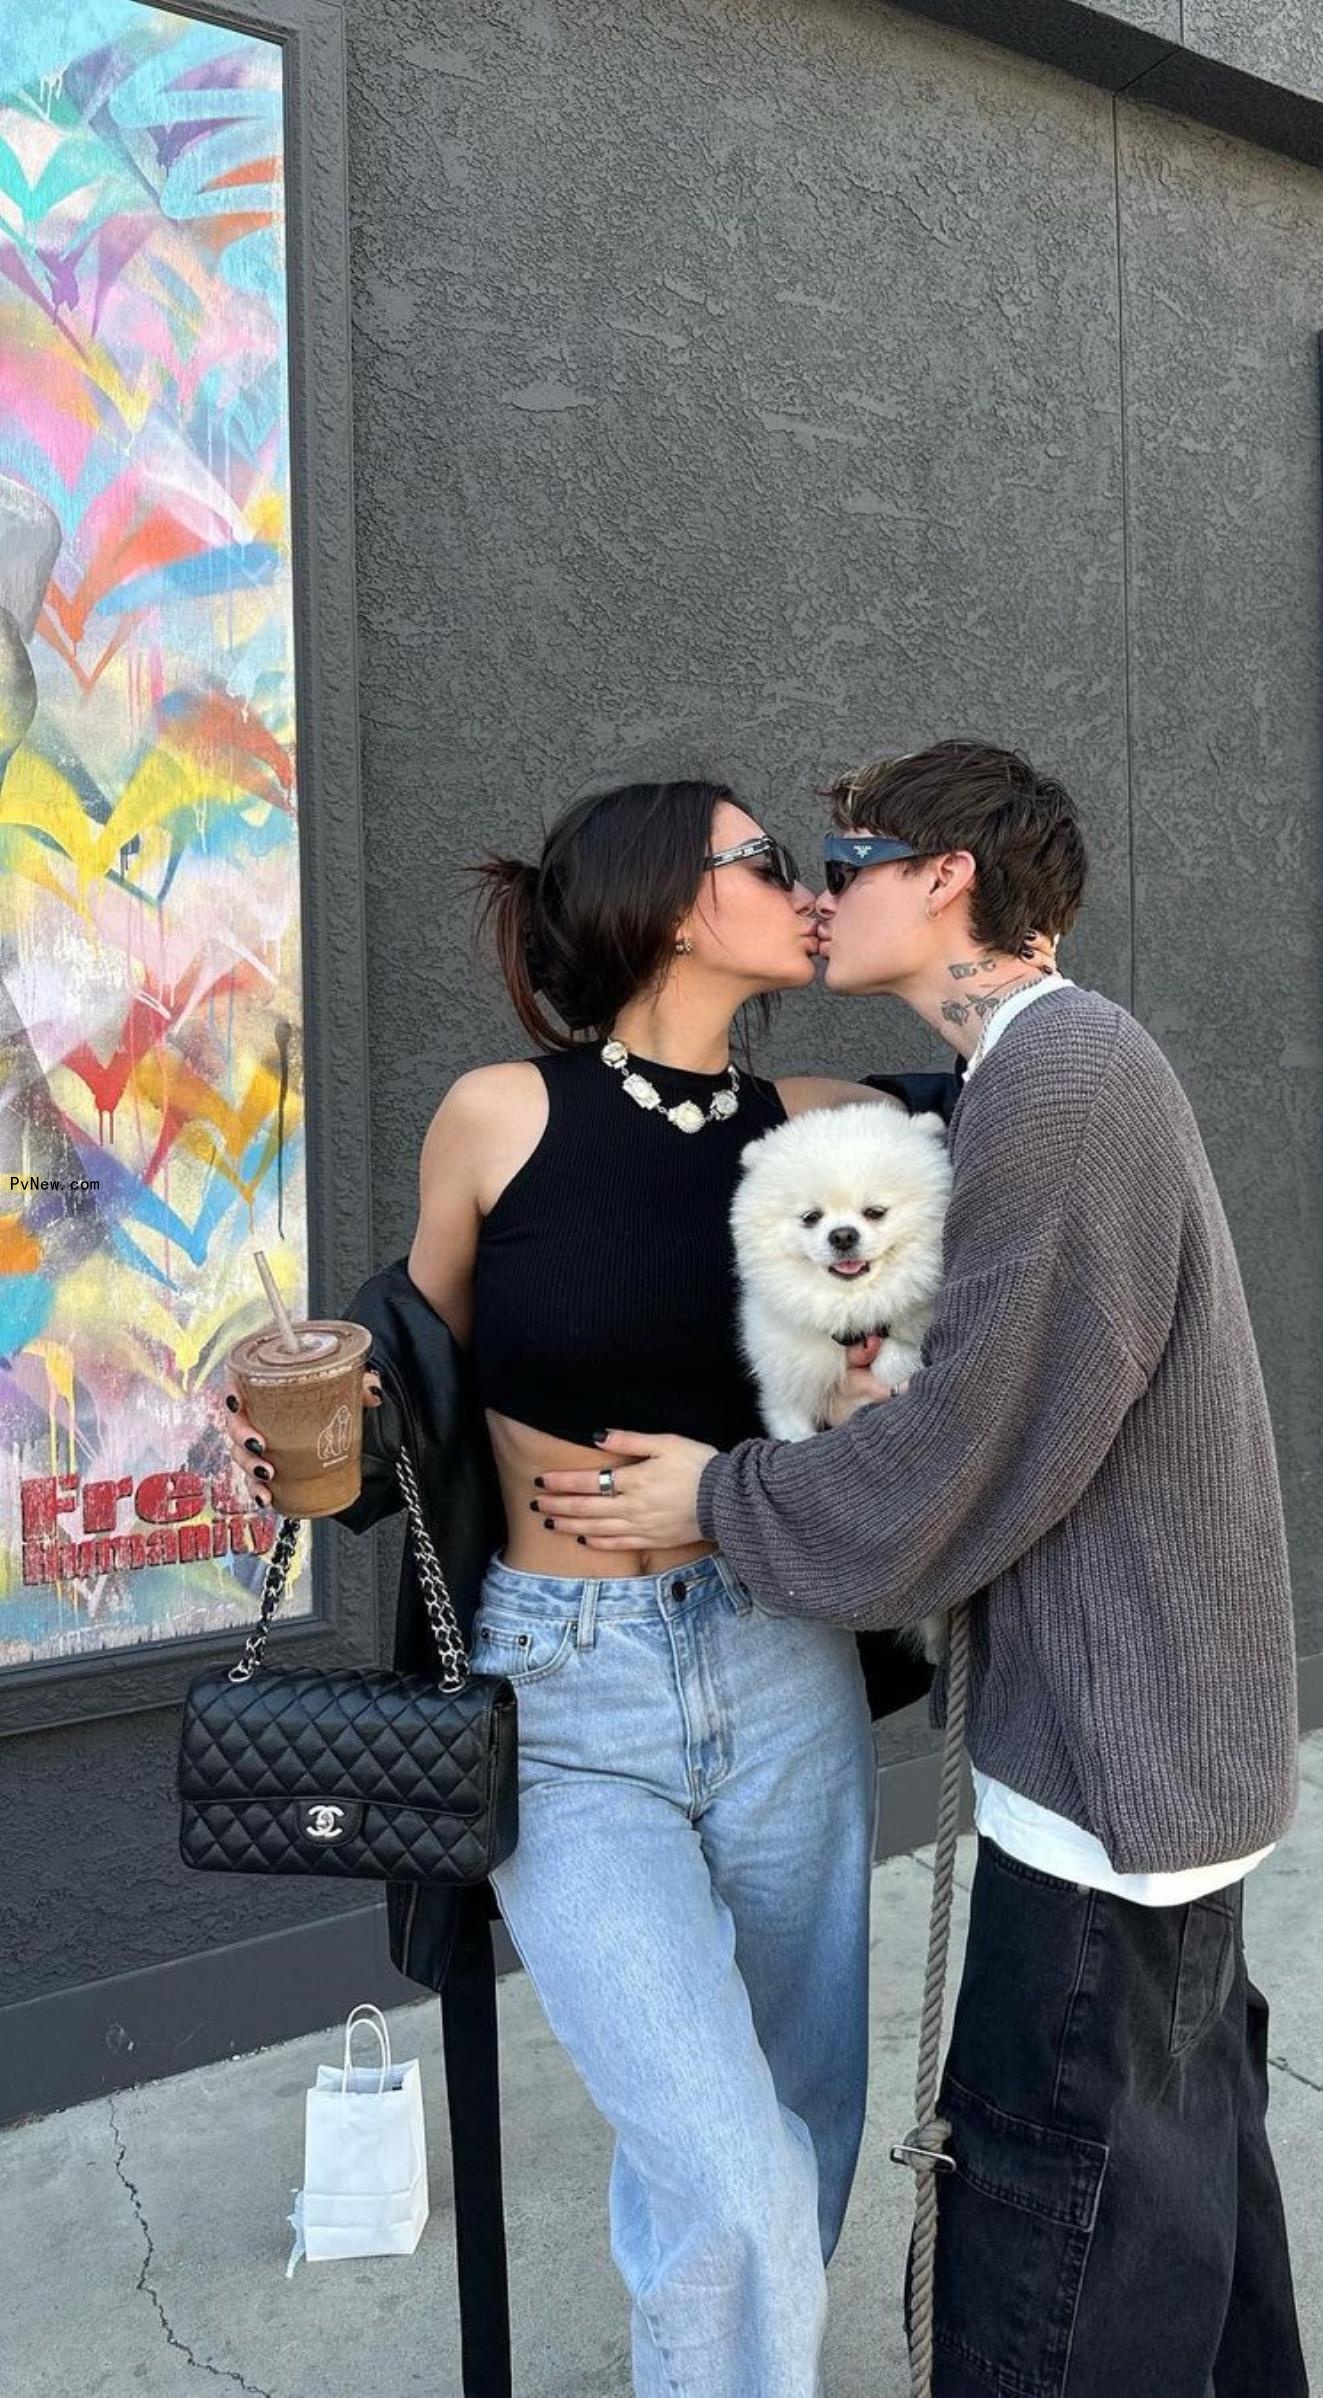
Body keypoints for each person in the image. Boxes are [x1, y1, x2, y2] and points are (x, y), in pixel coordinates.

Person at [536, 741, 1312, 2397]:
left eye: (846, 859)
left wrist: (721, 1497)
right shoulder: (1032, 1073)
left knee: (1054, 2255)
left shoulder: (1063, 1075)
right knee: (1186, 2192)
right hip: (1156, 1733)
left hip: (1111, 1758)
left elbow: (977, 1446)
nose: (823, 894)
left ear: (946, 876)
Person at [221, 772, 925, 2398]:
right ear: (674, 903)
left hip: (782, 1661)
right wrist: (307, 1429)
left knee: (798, 2125)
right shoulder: (500, 1117)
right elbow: (409, 1367)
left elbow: (1019, 1105)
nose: (803, 885)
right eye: (765, 860)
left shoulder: (821, 1128)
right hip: (567, 1689)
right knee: (726, 2167)